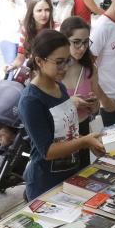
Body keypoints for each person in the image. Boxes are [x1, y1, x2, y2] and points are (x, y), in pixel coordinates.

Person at [18, 30, 106, 200]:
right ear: (39, 61)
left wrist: (88, 140)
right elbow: (48, 150)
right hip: (45, 184)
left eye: (67, 61)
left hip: (71, 175)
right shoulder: (31, 100)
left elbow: (66, 134)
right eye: (59, 62)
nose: (65, 68)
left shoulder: (60, 87)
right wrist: (84, 141)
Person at [59, 16, 101, 169]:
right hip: (58, 136)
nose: (82, 48)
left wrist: (94, 105)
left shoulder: (90, 69)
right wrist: (71, 103)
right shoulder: (53, 71)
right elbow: (41, 110)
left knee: (81, 177)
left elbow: (96, 106)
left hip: (83, 129)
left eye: (85, 42)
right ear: (64, 40)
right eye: (76, 42)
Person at [9, 0, 54, 73]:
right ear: (32, 13)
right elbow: (20, 58)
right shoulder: (25, 31)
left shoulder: (56, 29)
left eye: (47, 10)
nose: (44, 14)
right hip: (33, 76)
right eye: (39, 10)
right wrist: (11, 66)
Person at [0, 0, 23, 67]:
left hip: (19, 39)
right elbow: (14, 24)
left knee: (19, 71)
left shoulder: (19, 3)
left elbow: (24, 19)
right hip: (7, 39)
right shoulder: (2, 4)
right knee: (11, 68)